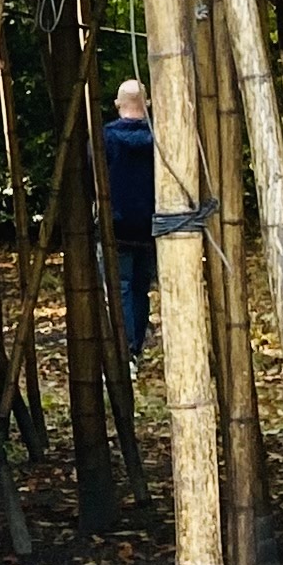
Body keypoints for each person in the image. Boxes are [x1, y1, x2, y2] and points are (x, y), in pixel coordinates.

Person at [103, 75, 157, 359]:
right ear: (147, 103)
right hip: (151, 226)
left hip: (117, 225)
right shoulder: (160, 139)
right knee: (140, 288)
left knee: (119, 287)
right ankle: (136, 344)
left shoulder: (106, 138)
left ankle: (126, 350)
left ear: (117, 104)